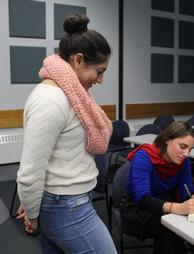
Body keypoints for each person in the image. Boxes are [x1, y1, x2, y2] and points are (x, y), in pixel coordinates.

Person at [16, 14, 118, 254]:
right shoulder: (52, 99)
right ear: (79, 60)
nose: (101, 80)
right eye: (99, 71)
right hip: (66, 207)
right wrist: (32, 212)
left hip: (67, 202)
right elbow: (30, 170)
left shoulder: (72, 93)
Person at [119, 121, 194, 254]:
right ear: (167, 140)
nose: (186, 154)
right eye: (183, 147)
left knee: (180, 226)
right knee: (171, 229)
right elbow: (142, 199)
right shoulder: (144, 157)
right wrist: (178, 208)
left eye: (190, 149)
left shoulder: (183, 161)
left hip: (165, 202)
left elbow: (186, 192)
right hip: (137, 210)